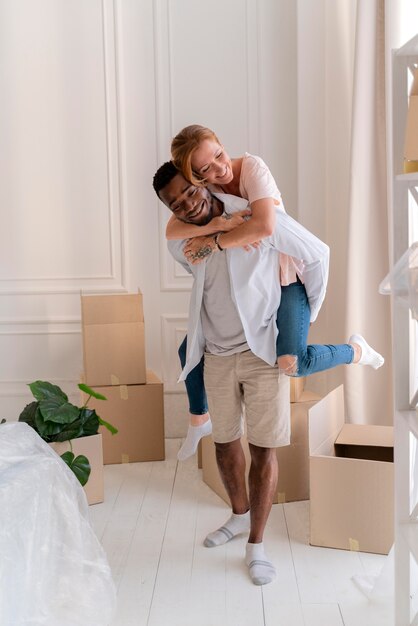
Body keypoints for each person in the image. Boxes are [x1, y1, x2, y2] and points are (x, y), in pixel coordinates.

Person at [167, 124, 384, 461]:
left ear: (223, 145)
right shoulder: (212, 198)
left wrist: (216, 241)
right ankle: (199, 419)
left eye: (219, 156)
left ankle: (356, 351)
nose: (219, 169)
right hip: (261, 281)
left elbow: (267, 226)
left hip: (288, 277)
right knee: (191, 349)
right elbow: (172, 230)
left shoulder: (252, 169)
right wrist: (221, 225)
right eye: (205, 169)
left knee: (292, 362)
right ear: (195, 177)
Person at [152, 160, 291, 585]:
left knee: (264, 448)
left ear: (199, 182)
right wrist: (220, 230)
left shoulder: (251, 210)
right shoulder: (180, 240)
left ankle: (257, 545)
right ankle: (237, 516)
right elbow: (190, 245)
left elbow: (307, 252)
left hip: (261, 350)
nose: (187, 205)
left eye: (188, 192)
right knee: (225, 444)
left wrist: (301, 323)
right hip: (216, 352)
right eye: (174, 204)